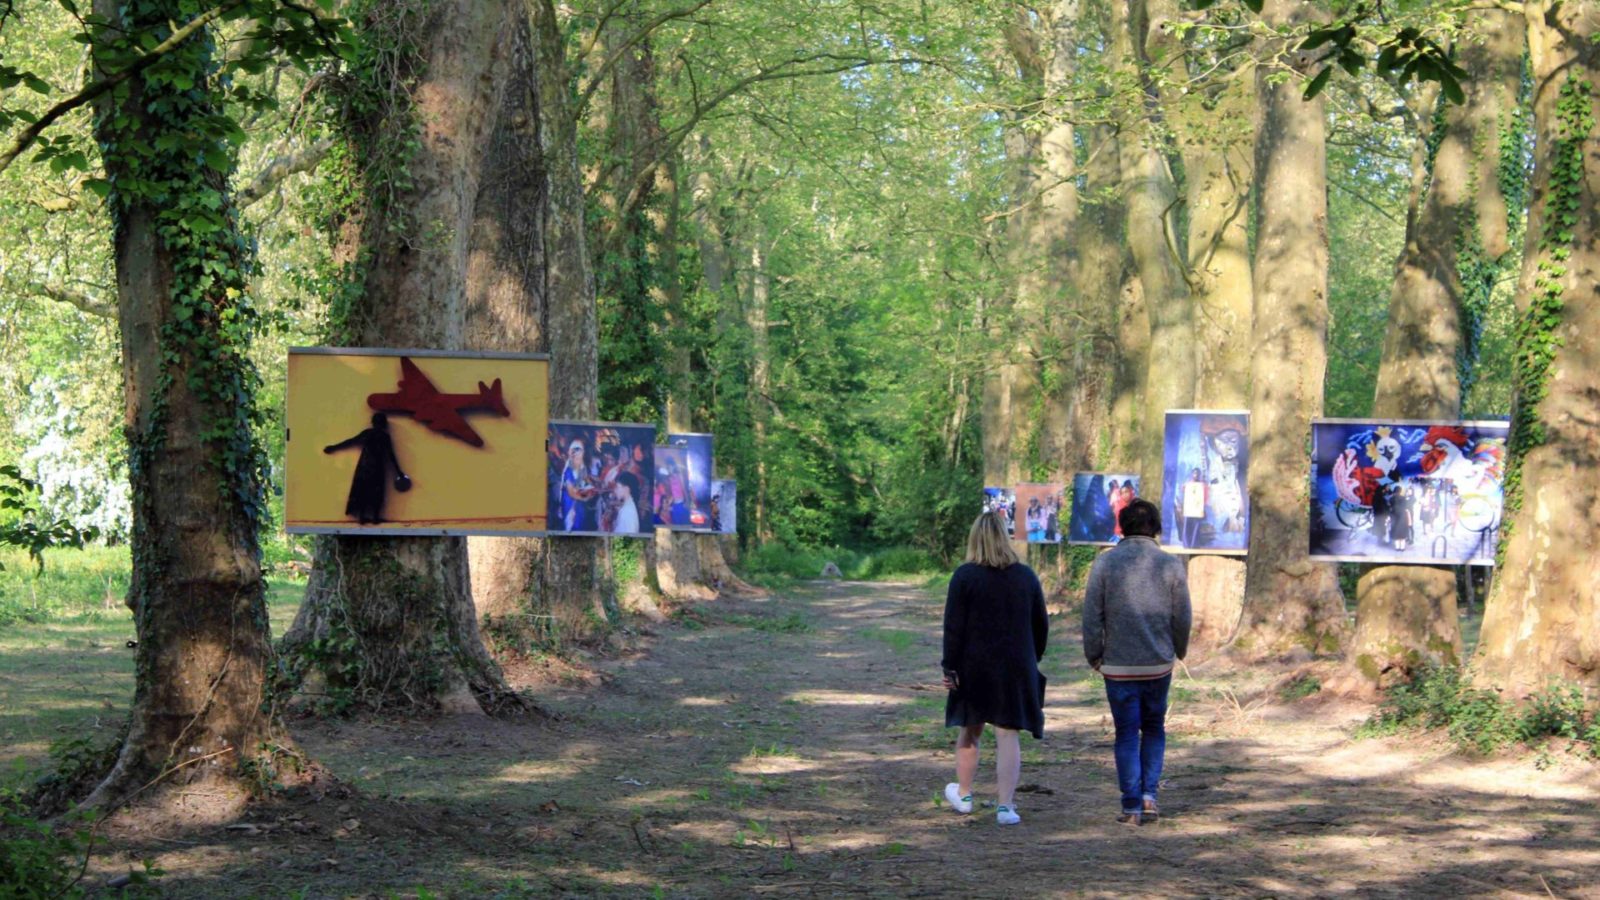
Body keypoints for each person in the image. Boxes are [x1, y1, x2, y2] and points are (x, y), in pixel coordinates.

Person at [1082, 498, 1191, 826]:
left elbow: (1092, 614)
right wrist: (1179, 650)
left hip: (1117, 667)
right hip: (1157, 664)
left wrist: (1094, 653)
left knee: (1126, 733)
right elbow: (1182, 615)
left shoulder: (1105, 563)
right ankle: (1149, 798)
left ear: (1123, 526)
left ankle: (1130, 805)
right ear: (1156, 527)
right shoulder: (1170, 564)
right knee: (1154, 728)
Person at [939, 512, 1048, 827]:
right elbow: (1040, 624)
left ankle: (964, 794)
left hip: (973, 668)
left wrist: (950, 667)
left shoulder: (964, 577)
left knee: (970, 730)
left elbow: (953, 628)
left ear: (975, 539)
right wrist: (1031, 657)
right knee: (1007, 733)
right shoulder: (1026, 577)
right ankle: (1005, 807)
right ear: (1005, 537)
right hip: (1015, 667)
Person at [324, 412, 409, 525]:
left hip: (365, 466)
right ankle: (375, 517)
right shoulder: (384, 437)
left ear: (373, 423)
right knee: (377, 491)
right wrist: (399, 472)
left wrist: (333, 447)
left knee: (362, 490)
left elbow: (351, 441)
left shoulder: (368, 434)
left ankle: (362, 517)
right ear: (384, 424)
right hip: (378, 468)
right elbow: (391, 456)